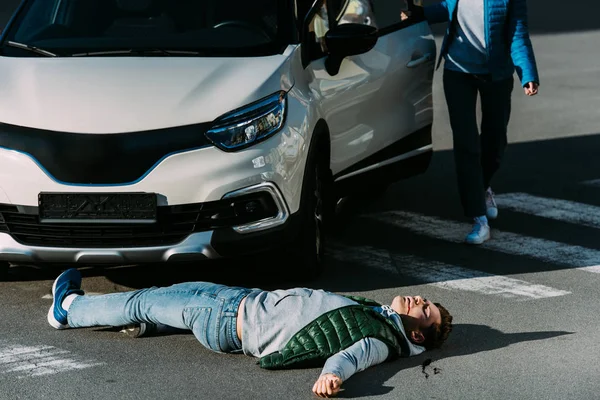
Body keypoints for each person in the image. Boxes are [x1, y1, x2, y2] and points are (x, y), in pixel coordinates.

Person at [48, 269, 453, 398]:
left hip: (226, 318)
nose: (418, 299)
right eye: (423, 299)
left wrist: (332, 377)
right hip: (238, 303)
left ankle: (68, 309)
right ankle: (147, 322)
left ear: (417, 335)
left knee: (143, 300)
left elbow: (350, 357)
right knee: (159, 301)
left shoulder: (379, 341)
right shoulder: (379, 317)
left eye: (425, 308)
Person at [404, 0, 540, 244]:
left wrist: (527, 73)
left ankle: (484, 185)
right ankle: (479, 217)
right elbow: (446, 8)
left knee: (495, 139)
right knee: (466, 144)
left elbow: (518, 32)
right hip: (458, 73)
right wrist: (418, 14)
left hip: (497, 74)